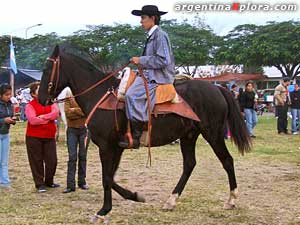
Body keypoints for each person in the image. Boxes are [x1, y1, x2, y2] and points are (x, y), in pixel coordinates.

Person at [118, 5, 175, 149]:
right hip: (149, 73)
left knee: (131, 95)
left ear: (153, 18)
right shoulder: (151, 36)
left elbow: (163, 60)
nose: (140, 21)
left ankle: (136, 136)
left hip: (158, 76)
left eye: (143, 18)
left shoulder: (160, 35)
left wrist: (141, 60)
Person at [25, 81, 60, 193]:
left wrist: (44, 117)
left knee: (52, 161)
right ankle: (39, 184)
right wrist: (48, 119)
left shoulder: (50, 102)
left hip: (49, 136)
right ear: (33, 94)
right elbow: (33, 120)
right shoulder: (30, 105)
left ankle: (49, 181)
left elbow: (56, 113)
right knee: (36, 160)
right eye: (39, 90)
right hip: (34, 137)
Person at [63, 89, 89, 193]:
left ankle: (82, 182)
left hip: (84, 129)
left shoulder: (85, 97)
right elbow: (68, 113)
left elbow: (87, 111)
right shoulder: (68, 97)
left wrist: (74, 110)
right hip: (71, 130)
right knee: (72, 156)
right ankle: (70, 185)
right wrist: (79, 111)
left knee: (83, 156)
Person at [0, 84, 16, 187]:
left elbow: (10, 116)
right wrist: (3, 120)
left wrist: (12, 120)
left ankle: (5, 181)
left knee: (4, 160)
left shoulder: (10, 104)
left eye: (10, 94)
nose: (9, 96)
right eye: (7, 94)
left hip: (6, 134)